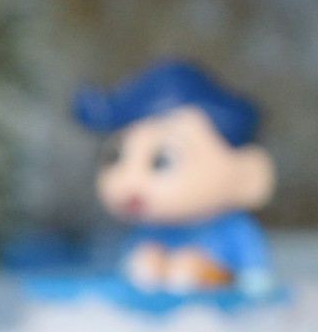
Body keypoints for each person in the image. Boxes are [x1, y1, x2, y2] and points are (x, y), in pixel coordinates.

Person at [73, 59, 276, 297]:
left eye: (162, 161)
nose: (131, 182)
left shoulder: (233, 230)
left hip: (218, 309)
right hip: (158, 312)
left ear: (249, 172)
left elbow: (256, 279)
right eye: (115, 157)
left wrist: (252, 284)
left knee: (186, 268)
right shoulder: (149, 231)